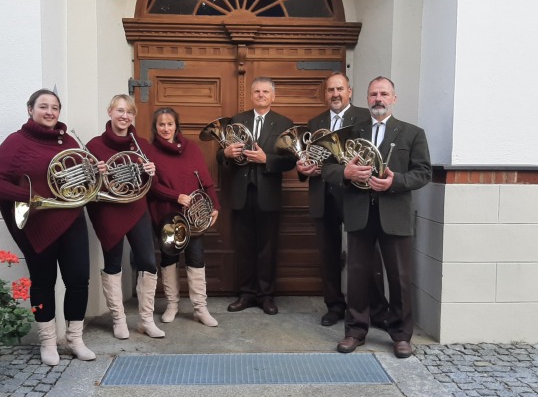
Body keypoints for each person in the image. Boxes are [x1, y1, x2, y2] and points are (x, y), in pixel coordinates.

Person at [0, 88, 103, 365]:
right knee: (43, 283)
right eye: (43, 106)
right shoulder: (16, 142)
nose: (50, 112)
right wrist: (28, 197)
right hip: (38, 224)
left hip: (71, 219)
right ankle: (48, 342)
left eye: (55, 107)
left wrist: (95, 172)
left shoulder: (69, 141)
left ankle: (75, 339)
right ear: (30, 109)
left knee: (78, 281)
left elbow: (81, 180)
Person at [322, 76, 431, 358]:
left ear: (394, 98)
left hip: (394, 213)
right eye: (373, 94)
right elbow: (328, 169)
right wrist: (345, 173)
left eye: (384, 94)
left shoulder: (412, 133)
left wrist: (395, 182)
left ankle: (401, 336)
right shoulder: (351, 131)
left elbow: (423, 173)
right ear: (366, 99)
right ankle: (355, 331)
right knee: (358, 275)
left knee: (400, 277)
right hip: (359, 211)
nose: (378, 99)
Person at [297, 72, 392, 327]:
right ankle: (335, 306)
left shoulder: (365, 117)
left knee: (366, 255)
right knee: (327, 255)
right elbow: (309, 157)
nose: (335, 94)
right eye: (330, 90)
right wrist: (302, 168)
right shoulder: (315, 121)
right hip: (323, 196)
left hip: (356, 195)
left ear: (350, 91)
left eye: (340, 89)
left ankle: (377, 309)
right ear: (325, 94)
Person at [85, 94, 164, 339]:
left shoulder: (141, 145)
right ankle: (118, 320)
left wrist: (152, 173)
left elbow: (154, 185)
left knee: (148, 263)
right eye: (120, 110)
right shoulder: (94, 145)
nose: (124, 116)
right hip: (109, 211)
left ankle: (145, 320)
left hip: (136, 208)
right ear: (110, 112)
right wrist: (96, 172)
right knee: (113, 263)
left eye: (129, 112)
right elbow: (86, 186)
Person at [219, 77, 296, 315]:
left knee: (267, 247)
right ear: (251, 96)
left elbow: (292, 160)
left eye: (265, 91)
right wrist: (226, 153)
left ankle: (266, 295)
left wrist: (267, 160)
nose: (261, 95)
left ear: (273, 96)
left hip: (268, 195)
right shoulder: (237, 120)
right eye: (257, 91)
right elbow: (220, 159)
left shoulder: (284, 123)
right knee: (244, 247)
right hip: (242, 194)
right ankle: (246, 294)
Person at [147, 107, 221, 327]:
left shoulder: (192, 149)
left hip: (193, 216)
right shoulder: (150, 152)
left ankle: (200, 308)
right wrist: (175, 196)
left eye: (170, 124)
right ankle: (172, 305)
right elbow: (151, 187)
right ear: (156, 127)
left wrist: (215, 205)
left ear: (176, 126)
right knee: (169, 260)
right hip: (166, 214)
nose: (166, 128)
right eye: (161, 124)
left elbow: (205, 180)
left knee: (196, 259)